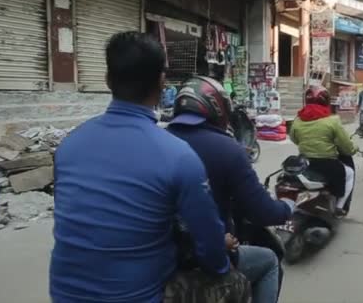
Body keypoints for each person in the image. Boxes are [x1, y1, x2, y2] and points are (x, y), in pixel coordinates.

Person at [50, 32, 238, 303]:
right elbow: (209, 246)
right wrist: (223, 264)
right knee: (254, 268)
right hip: (143, 295)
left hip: (64, 296)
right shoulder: (178, 156)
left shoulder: (69, 145)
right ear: (162, 82)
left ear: (107, 80)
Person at [167, 75, 295, 303]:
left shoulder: (160, 139)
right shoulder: (226, 148)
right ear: (217, 107)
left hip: (163, 258)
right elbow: (261, 211)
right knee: (269, 262)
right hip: (199, 259)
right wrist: (286, 207)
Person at [289, 86, 357, 216]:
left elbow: (294, 138)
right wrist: (354, 149)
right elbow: (346, 146)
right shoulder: (332, 121)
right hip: (328, 164)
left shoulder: (298, 119)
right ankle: (340, 206)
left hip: (305, 162)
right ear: (326, 102)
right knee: (349, 173)